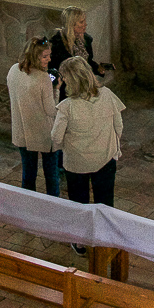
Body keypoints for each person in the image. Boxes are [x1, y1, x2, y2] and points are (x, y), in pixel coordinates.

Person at [51, 56, 125, 253]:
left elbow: (56, 138)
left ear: (72, 80)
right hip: (105, 158)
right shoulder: (107, 95)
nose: (63, 80)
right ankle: (106, 239)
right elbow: (119, 126)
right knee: (105, 201)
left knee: (79, 203)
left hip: (77, 163)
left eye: (65, 77)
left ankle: (80, 241)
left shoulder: (67, 106)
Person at [7, 36, 60, 197]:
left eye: (49, 55)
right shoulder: (43, 78)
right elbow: (51, 110)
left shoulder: (13, 70)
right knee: (51, 175)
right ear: (34, 56)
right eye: (45, 56)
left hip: (22, 130)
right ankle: (54, 207)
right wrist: (56, 89)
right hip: (43, 133)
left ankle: (28, 206)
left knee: (28, 174)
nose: (49, 59)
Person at [49, 6, 104, 102]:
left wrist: (97, 68)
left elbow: (87, 62)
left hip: (85, 86)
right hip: (67, 90)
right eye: (81, 22)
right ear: (72, 24)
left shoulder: (85, 40)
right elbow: (53, 69)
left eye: (84, 21)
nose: (85, 24)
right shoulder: (57, 44)